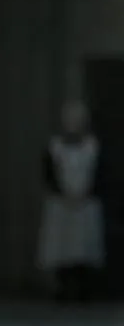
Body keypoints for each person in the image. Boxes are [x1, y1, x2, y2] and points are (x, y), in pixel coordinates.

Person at [37, 99, 106, 303]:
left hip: (86, 202)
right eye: (70, 119)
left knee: (83, 247)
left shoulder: (93, 147)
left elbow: (101, 173)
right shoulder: (54, 146)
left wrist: (85, 193)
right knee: (62, 247)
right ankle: (62, 289)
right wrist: (63, 193)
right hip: (61, 203)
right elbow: (48, 174)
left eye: (78, 119)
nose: (74, 123)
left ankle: (83, 290)